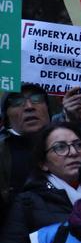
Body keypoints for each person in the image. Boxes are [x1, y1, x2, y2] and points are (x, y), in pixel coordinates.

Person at [0, 122, 81, 243]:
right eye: (60, 147)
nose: (73, 152)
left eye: (79, 145)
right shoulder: (27, 203)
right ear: (43, 164)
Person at [1, 84, 52, 213]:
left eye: (37, 99)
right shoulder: (2, 153)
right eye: (17, 102)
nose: (29, 107)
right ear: (6, 118)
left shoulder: (74, 144)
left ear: (48, 109)